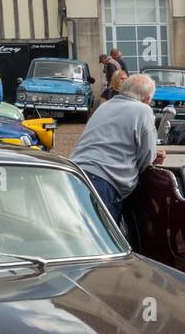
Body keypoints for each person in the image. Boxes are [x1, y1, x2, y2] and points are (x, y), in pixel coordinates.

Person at [70, 73, 164, 223]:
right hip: (104, 180)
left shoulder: (105, 106)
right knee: (104, 239)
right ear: (147, 98)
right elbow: (146, 157)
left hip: (75, 173)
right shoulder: (143, 110)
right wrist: (153, 158)